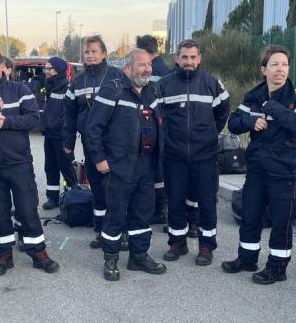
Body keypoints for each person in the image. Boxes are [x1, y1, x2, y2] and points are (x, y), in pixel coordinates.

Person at [223, 45, 296, 284]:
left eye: (284, 64)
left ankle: (277, 267)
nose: (280, 70)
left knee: (281, 220)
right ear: (264, 70)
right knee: (250, 216)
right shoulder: (254, 96)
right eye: (274, 65)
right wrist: (251, 121)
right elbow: (233, 123)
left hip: (285, 171)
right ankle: (247, 258)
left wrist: (274, 108)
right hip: (257, 169)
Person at [85, 48, 167, 280]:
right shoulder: (113, 89)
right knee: (116, 215)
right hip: (118, 165)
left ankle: (138, 256)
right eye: (141, 65)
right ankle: (110, 259)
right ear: (127, 68)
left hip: (146, 165)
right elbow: (93, 128)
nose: (147, 69)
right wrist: (100, 159)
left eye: (149, 65)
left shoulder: (153, 90)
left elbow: (162, 125)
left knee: (143, 213)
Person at [0, 50, 60, 276]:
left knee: (27, 209)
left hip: (18, 161)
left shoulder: (20, 90)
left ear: (2, 67)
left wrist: (6, 122)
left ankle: (38, 252)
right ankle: (3, 254)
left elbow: (34, 119)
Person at [159, 39, 230, 266]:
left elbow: (222, 113)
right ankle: (177, 243)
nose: (189, 62)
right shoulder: (164, 84)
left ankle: (206, 247)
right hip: (174, 155)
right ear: (177, 59)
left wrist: (208, 134)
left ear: (199, 58)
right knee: (176, 200)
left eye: (193, 57)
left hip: (205, 156)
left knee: (207, 203)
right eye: (184, 57)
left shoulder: (212, 84)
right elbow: (158, 118)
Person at [64, 35, 125, 248]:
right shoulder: (77, 81)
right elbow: (69, 115)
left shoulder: (116, 76)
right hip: (91, 145)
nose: (90, 55)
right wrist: (68, 142)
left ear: (104, 54)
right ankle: (100, 230)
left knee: (116, 190)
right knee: (97, 188)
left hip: (115, 144)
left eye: (94, 51)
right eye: (87, 52)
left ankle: (119, 231)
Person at [136, 34, 170, 225]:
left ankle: (158, 210)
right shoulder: (164, 67)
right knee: (157, 169)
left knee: (155, 169)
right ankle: (160, 208)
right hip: (158, 122)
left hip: (151, 122)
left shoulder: (151, 68)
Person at [41, 57, 77, 209]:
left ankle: (74, 196)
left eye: (50, 68)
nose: (47, 71)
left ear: (59, 70)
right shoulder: (50, 86)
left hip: (62, 135)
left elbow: (69, 113)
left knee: (66, 167)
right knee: (50, 166)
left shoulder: (66, 87)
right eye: (46, 68)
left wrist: (60, 127)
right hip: (50, 134)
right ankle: (53, 198)